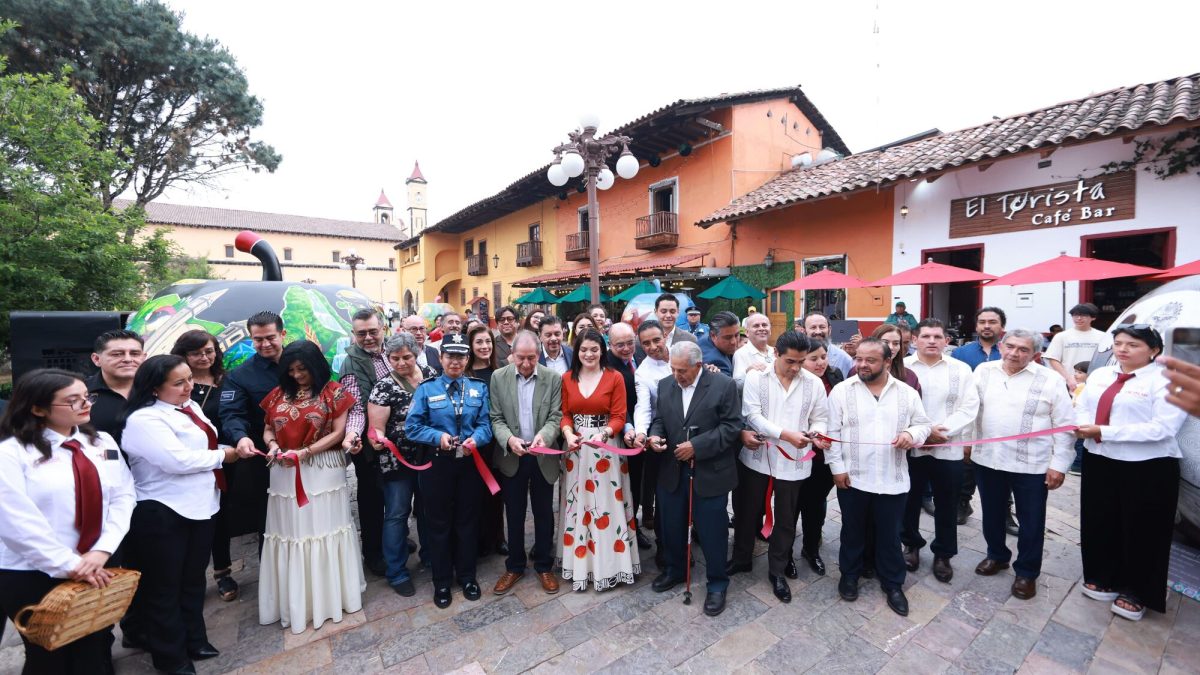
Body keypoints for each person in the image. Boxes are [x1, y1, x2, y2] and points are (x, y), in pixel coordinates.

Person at [0, 369, 135, 675]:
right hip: (34, 572)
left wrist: (102, 551)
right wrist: (68, 565)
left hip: (99, 563)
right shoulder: (11, 454)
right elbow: (14, 520)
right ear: (37, 408)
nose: (85, 405)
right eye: (72, 401)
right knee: (49, 655)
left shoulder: (101, 441)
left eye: (87, 397)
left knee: (96, 645)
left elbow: (123, 496)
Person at [121, 355, 237, 672]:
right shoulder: (145, 420)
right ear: (155, 388)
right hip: (164, 510)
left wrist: (228, 448)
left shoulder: (189, 407)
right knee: (164, 588)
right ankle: (171, 658)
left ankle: (195, 640)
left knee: (192, 581)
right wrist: (223, 456)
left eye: (189, 379)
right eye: (179, 382)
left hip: (201, 504)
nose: (189, 386)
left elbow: (203, 445)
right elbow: (177, 461)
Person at [1075, 325, 1187, 621]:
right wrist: (1085, 426)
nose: (1122, 349)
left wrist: (1104, 431)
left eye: (1133, 345)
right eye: (1118, 343)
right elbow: (1082, 408)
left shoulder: (1169, 381)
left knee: (1143, 529)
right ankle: (1103, 575)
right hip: (1101, 459)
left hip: (1147, 466)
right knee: (1101, 519)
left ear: (1154, 350)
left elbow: (1163, 428)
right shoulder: (1100, 376)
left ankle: (1138, 590)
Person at [258, 340, 364, 634]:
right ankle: (297, 602)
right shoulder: (279, 393)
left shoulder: (334, 392)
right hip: (283, 469)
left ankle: (330, 597)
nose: (296, 375)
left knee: (322, 529)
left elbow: (339, 431)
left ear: (315, 365)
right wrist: (272, 445)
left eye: (302, 369)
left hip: (321, 468)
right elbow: (267, 425)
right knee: (291, 531)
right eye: (290, 370)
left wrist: (306, 452)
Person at [826, 338, 932, 617]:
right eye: (859, 358)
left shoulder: (907, 393)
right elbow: (831, 433)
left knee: (889, 535)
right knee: (852, 530)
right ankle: (850, 574)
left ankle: (893, 583)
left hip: (892, 477)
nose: (862, 364)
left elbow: (923, 424)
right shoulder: (841, 391)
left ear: (887, 362)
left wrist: (911, 435)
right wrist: (837, 468)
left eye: (870, 360)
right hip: (853, 477)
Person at [971, 329, 1074, 601]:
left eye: (1023, 350)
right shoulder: (984, 371)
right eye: (1011, 347)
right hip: (988, 458)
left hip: (1032, 464)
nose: (1015, 353)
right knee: (992, 513)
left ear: (1036, 354)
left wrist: (1059, 464)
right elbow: (969, 409)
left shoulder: (1051, 380)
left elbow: (1065, 425)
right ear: (1001, 346)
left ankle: (1027, 572)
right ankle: (997, 555)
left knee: (1031, 521)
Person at [731, 331, 829, 603]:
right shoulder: (756, 377)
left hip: (795, 461)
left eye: (801, 362)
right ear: (776, 354)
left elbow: (820, 417)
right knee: (747, 511)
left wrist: (817, 433)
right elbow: (751, 415)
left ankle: (777, 570)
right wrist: (785, 434)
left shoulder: (813, 383)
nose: (796, 368)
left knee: (786, 518)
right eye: (790, 361)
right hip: (757, 457)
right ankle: (741, 558)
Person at [647, 342, 741, 617]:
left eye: (683, 370)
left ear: (698, 366)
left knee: (712, 531)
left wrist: (697, 446)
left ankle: (717, 584)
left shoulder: (723, 385)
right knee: (672, 526)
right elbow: (660, 419)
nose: (677, 376)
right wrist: (655, 435)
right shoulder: (665, 385)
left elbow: (732, 427)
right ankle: (675, 570)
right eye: (674, 369)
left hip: (710, 473)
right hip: (672, 471)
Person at [404, 333, 493, 608]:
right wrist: (437, 437)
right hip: (437, 465)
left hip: (469, 463)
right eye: (450, 356)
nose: (455, 361)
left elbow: (486, 424)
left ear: (468, 359)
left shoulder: (478, 388)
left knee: (467, 522)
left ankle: (467, 576)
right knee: (438, 524)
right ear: (441, 358)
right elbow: (412, 427)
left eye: (461, 356)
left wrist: (476, 439)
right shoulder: (426, 389)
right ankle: (441, 581)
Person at [558, 328, 639, 590]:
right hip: (577, 448)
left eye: (594, 349)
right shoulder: (567, 378)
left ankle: (611, 564)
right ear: (576, 351)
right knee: (579, 504)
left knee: (605, 504)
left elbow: (619, 415)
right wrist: (568, 433)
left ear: (602, 350)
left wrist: (605, 433)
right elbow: (565, 413)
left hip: (606, 448)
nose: (589, 354)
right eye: (583, 349)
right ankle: (580, 564)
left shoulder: (614, 378)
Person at [901, 319, 980, 583]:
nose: (932, 341)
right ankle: (911, 545)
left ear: (947, 341)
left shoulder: (961, 369)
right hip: (912, 446)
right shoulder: (903, 367)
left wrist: (940, 432)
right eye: (925, 336)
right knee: (909, 500)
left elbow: (969, 407)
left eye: (938, 336)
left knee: (947, 503)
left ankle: (944, 553)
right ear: (914, 340)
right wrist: (919, 433)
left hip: (948, 446)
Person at [489, 331, 564, 595]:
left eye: (532, 358)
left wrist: (545, 436)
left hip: (543, 455)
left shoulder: (553, 378)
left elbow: (556, 416)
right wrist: (509, 440)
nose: (526, 364)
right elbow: (495, 418)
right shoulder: (499, 377)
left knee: (544, 512)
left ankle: (544, 566)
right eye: (521, 358)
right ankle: (515, 566)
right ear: (512, 355)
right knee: (515, 513)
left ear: (539, 354)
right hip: (513, 456)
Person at [170, 330, 239, 602]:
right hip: (189, 461)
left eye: (209, 351)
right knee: (196, 518)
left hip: (226, 456)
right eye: (196, 353)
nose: (204, 357)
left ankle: (223, 572)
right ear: (183, 355)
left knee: (222, 514)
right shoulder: (174, 385)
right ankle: (191, 575)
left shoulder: (228, 380)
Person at [366, 333, 437, 597]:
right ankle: (396, 571)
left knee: (428, 509)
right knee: (397, 514)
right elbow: (376, 429)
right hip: (397, 461)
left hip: (429, 456)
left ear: (417, 353)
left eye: (406, 357)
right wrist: (377, 439)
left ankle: (431, 556)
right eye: (394, 358)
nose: (401, 363)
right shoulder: (383, 387)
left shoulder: (431, 373)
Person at [219, 311, 287, 541]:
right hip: (266, 458)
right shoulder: (240, 375)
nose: (265, 344)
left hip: (310, 454)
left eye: (270, 337)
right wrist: (240, 437)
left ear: (282, 334)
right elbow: (231, 413)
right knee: (270, 519)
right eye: (258, 339)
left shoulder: (302, 364)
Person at [338, 309, 385, 577]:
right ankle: (374, 554)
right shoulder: (350, 363)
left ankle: (394, 538)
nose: (368, 338)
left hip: (398, 442)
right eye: (361, 333)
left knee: (395, 494)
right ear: (353, 334)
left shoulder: (393, 353)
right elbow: (355, 407)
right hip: (368, 445)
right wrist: (353, 435)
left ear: (382, 329)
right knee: (372, 499)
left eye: (372, 331)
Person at [950, 306, 1007, 524]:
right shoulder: (962, 353)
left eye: (992, 322)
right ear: (976, 326)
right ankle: (963, 502)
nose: (986, 326)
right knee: (966, 464)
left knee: (1003, 466)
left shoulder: (1009, 350)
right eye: (982, 321)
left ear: (1002, 326)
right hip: (970, 418)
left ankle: (1005, 511)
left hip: (1000, 418)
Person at [794, 339, 844, 576]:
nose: (820, 362)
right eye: (813, 358)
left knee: (815, 508)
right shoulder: (793, 382)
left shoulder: (835, 378)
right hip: (795, 455)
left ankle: (811, 549)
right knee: (791, 507)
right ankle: (783, 554)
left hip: (824, 457)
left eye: (823, 356)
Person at [630, 319, 674, 567]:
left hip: (695, 432)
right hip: (662, 435)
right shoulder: (644, 372)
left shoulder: (683, 352)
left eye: (656, 340)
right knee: (663, 494)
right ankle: (663, 546)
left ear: (665, 335)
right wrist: (641, 433)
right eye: (645, 343)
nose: (652, 346)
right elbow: (643, 407)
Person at [605, 322, 649, 550]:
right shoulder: (606, 365)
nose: (626, 348)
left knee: (637, 483)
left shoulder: (641, 355)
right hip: (620, 433)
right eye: (619, 344)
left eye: (630, 342)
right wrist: (628, 428)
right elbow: (617, 405)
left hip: (642, 430)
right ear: (609, 343)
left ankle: (635, 525)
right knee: (622, 485)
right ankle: (622, 529)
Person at [466, 324, 505, 557]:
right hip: (473, 442)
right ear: (471, 346)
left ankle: (497, 537)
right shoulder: (465, 374)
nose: (484, 346)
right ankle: (477, 539)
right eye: (479, 342)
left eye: (488, 342)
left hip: (496, 443)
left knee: (496, 493)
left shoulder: (500, 372)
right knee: (474, 494)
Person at [86, 329, 146, 441]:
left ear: (144, 357)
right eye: (117, 354)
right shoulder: (79, 395)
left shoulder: (160, 390)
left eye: (134, 353)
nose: (128, 359)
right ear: (96, 359)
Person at [1045, 303, 1113, 391]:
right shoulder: (1061, 336)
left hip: (1096, 383)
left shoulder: (1103, 337)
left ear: (1093, 317)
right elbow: (1053, 359)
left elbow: (1109, 360)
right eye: (1075, 315)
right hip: (1069, 383)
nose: (1079, 318)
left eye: (1084, 315)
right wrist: (1068, 378)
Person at [732, 313, 775, 387]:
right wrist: (748, 372)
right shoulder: (741, 354)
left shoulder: (775, 351)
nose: (761, 328)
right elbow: (737, 386)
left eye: (764, 325)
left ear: (770, 330)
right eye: (756, 326)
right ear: (747, 332)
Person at [698, 311, 739, 376]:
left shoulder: (706, 338)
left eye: (736, 335)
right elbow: (730, 385)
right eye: (728, 337)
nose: (734, 342)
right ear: (713, 336)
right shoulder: (717, 362)